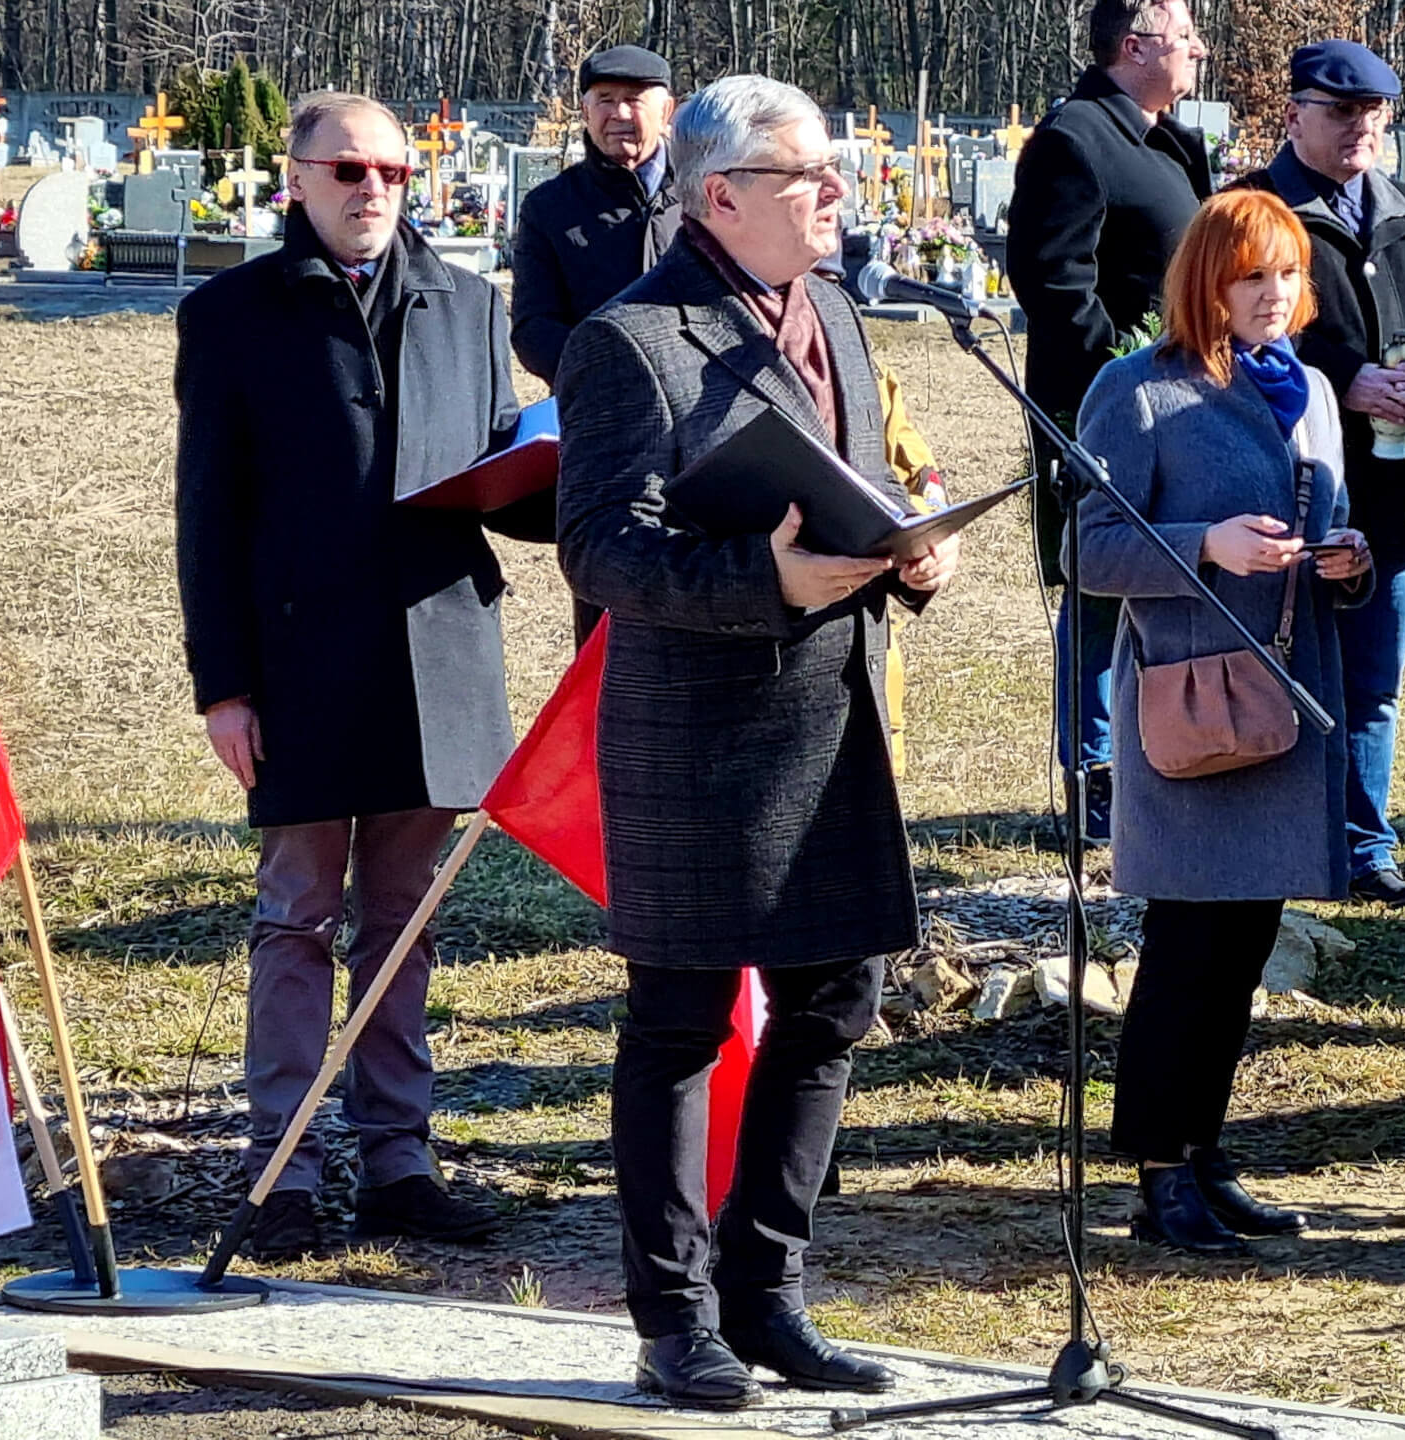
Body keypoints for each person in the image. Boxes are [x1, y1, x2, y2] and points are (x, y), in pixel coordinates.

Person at [554, 76, 960, 1408]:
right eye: (808, 176)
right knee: (677, 1022)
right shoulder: (630, 339)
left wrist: (907, 553)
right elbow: (602, 548)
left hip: (833, 718)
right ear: (720, 195)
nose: (835, 193)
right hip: (695, 734)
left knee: (837, 1002)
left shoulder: (838, 306)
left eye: (834, 171)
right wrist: (760, 583)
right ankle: (674, 1320)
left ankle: (767, 1292)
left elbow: (853, 479)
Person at [174, 93, 550, 1260]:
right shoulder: (232, 313)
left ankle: (399, 1158)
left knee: (403, 925)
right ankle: (280, 1168)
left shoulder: (468, 305)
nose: (372, 187)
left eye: (392, 168)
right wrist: (223, 686)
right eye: (346, 167)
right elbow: (207, 515)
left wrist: (568, 470)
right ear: (295, 176)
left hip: (436, 655)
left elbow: (504, 468)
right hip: (295, 665)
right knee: (296, 919)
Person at [1075, 190, 1373, 1255]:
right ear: (1207, 282)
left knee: (1243, 947)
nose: (1276, 297)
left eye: (1289, 277)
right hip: (1194, 708)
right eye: (1255, 278)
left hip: (1287, 706)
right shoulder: (1136, 391)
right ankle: (1158, 1173)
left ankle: (1203, 1153)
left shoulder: (1314, 395)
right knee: (1188, 950)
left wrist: (1348, 558)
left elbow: (1331, 524)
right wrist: (1206, 543)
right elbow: (1087, 551)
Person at [1235, 41, 1405, 908]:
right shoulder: (1252, 214)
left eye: (1374, 114)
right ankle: (1280, 840)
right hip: (1276, 486)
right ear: (1294, 112)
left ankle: (1365, 845)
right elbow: (1234, 321)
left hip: (1388, 494)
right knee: (1278, 671)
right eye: (1342, 113)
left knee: (1372, 682)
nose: (1362, 129)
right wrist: (1350, 378)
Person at [1005, 0, 1212, 842]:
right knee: (1098, 584)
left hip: (1184, 397)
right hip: (1101, 406)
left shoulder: (1172, 138)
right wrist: (1122, 374)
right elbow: (1054, 283)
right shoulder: (1076, 140)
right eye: (1185, 35)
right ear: (1134, 46)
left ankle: (1158, 747)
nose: (1198, 48)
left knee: (1163, 575)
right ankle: (1092, 770)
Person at [513, 44, 678, 647]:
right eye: (604, 100)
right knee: (608, 615)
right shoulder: (551, 209)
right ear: (584, 112)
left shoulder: (709, 197)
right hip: (601, 439)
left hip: (706, 430)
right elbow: (532, 327)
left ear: (669, 110)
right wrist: (603, 378)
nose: (619, 114)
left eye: (635, 99)